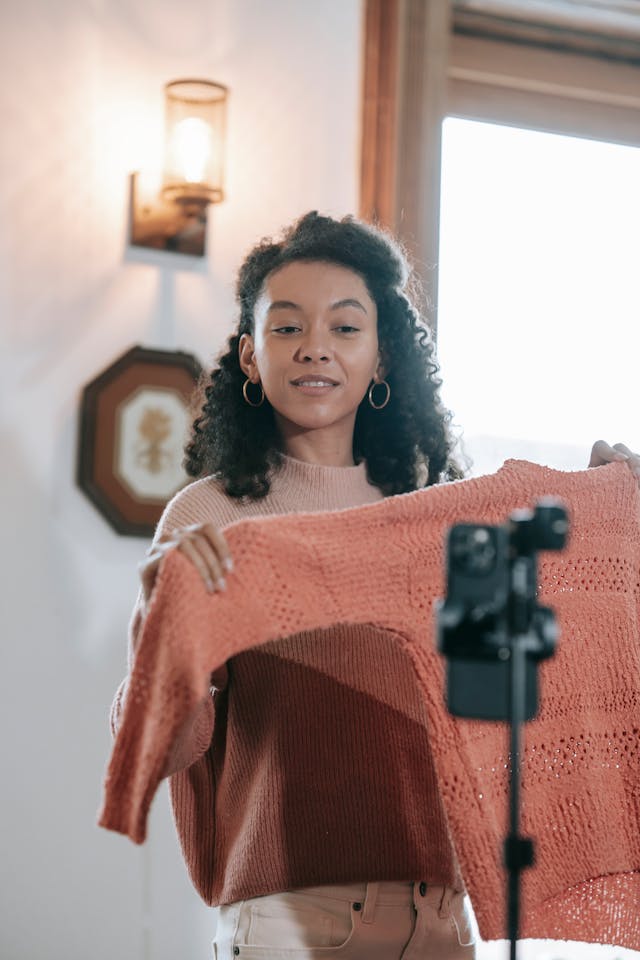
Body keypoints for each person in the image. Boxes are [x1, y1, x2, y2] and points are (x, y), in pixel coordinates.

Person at [111, 211, 640, 960]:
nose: (315, 348)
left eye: (345, 327)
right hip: (288, 925)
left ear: (383, 358)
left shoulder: (439, 517)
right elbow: (160, 748)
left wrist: (594, 523)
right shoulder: (211, 516)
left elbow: (512, 697)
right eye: (287, 327)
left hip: (445, 923)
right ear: (250, 358)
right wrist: (159, 623)